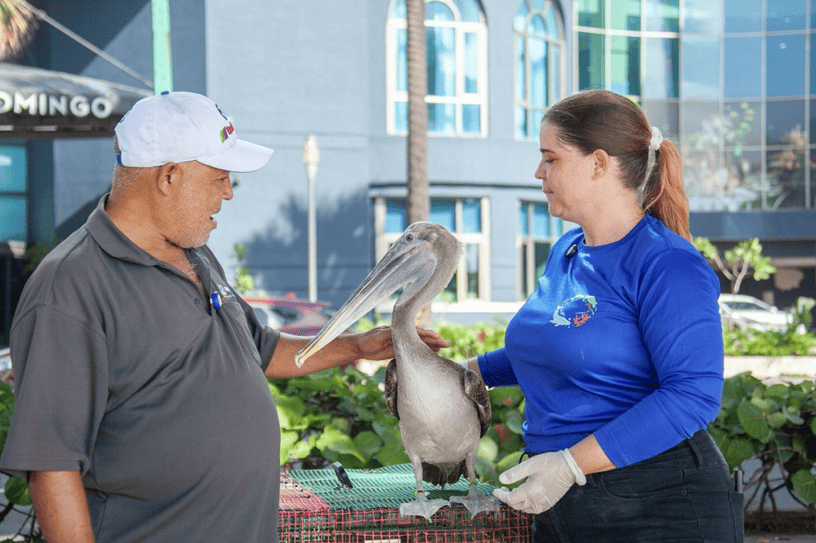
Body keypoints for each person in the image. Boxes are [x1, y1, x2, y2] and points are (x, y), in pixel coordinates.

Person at [0, 91, 449, 543]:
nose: (229, 192)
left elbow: (260, 350)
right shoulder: (71, 286)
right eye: (220, 177)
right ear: (169, 176)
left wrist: (357, 346)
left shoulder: (195, 254)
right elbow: (51, 464)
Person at [466, 90, 743, 542]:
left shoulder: (667, 264)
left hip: (659, 504)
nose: (539, 172)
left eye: (550, 158)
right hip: (564, 500)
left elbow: (694, 394)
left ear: (598, 163)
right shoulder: (567, 251)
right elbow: (557, 351)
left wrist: (572, 464)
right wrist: (466, 374)